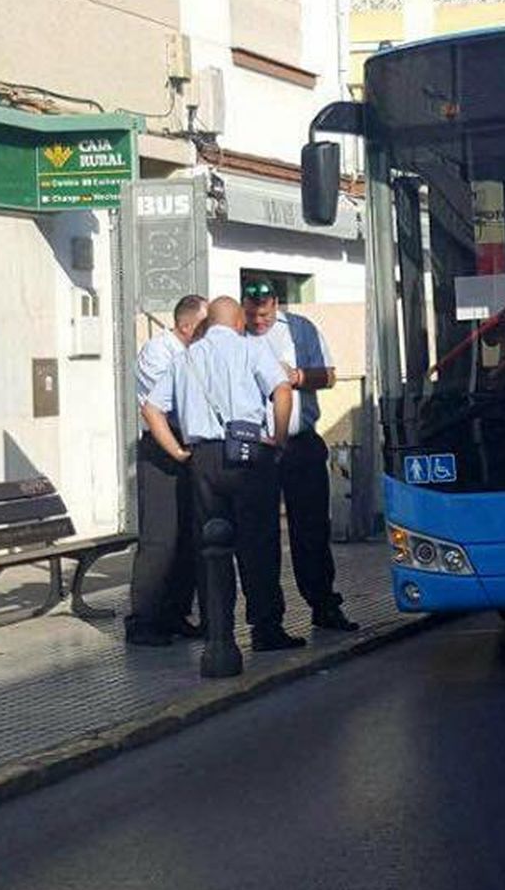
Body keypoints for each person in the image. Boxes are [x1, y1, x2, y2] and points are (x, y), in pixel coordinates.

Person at [142, 296, 302, 678]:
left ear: (206, 324)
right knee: (259, 543)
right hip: (249, 452)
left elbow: (151, 408)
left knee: (211, 548)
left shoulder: (185, 358)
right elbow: (282, 389)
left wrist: (179, 452)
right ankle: (266, 628)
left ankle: (218, 630)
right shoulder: (252, 348)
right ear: (237, 323)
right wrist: (278, 437)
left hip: (204, 459)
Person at [243, 280, 357, 631]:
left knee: (310, 529)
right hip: (257, 447)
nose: (257, 320)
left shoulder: (300, 330)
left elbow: (329, 375)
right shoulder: (236, 335)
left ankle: (323, 604)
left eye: (263, 314)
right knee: (260, 536)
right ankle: (266, 620)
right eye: (251, 313)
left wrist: (297, 376)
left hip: (299, 442)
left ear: (275, 304)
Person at [126, 294, 209, 646]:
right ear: (188, 326)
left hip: (190, 444)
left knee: (189, 534)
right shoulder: (158, 352)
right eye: (206, 326)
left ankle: (176, 612)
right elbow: (168, 402)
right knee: (160, 538)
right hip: (162, 446)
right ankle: (143, 620)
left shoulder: (195, 353)